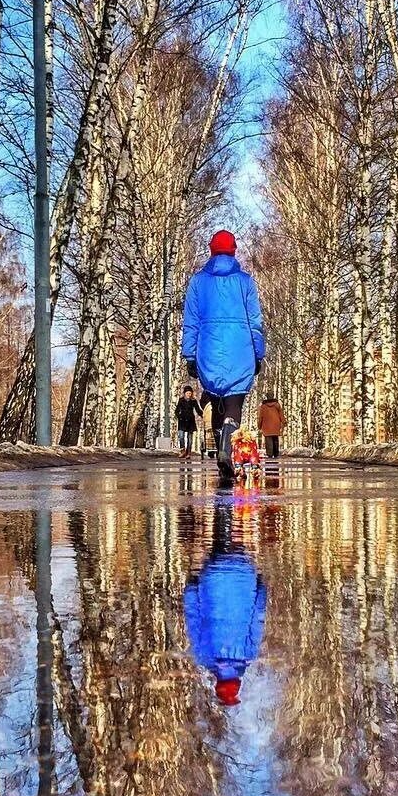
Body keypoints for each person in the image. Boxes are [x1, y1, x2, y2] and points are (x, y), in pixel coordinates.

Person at [181, 229, 265, 482]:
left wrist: (189, 355)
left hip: (208, 347)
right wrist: (258, 353)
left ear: (211, 250)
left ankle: (220, 445)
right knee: (233, 402)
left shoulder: (198, 282)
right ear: (233, 251)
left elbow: (191, 321)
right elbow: (255, 322)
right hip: (241, 348)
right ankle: (227, 446)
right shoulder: (245, 281)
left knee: (214, 397)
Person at [183, 503, 267, 706]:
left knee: (232, 545)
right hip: (212, 576)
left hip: (243, 573)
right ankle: (223, 499)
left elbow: (257, 618)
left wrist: (262, 589)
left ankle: (226, 497)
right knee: (219, 550)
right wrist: (191, 589)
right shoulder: (203, 656)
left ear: (237, 682)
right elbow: (193, 617)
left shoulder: (249, 655)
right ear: (216, 682)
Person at [174, 385, 203, 457]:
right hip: (182, 420)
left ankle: (188, 452)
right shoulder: (181, 400)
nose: (189, 395)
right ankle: (182, 450)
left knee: (190, 438)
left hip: (190, 421)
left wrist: (202, 415)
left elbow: (198, 410)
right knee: (181, 436)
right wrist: (179, 416)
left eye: (190, 393)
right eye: (187, 393)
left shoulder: (193, 401)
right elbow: (177, 410)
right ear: (184, 393)